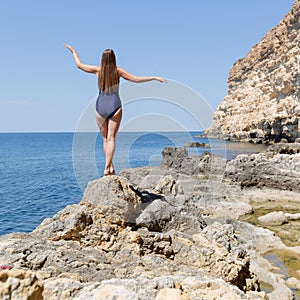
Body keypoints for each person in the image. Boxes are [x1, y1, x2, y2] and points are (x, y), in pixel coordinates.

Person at [64, 44, 167, 176]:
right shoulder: (118, 71)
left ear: (102, 59)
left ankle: (110, 167)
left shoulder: (97, 70)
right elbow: (136, 79)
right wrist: (153, 77)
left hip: (100, 106)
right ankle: (107, 168)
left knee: (105, 139)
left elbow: (79, 65)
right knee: (112, 138)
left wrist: (73, 52)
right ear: (113, 59)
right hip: (114, 105)